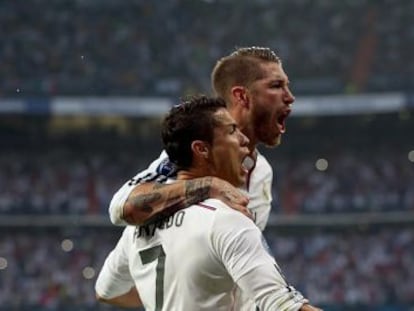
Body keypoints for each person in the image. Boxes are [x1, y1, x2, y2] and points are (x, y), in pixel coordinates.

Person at [106, 46, 295, 310]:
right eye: (276, 86)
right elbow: (121, 207)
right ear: (242, 96)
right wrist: (207, 185)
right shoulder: (188, 156)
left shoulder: (262, 172)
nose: (290, 97)